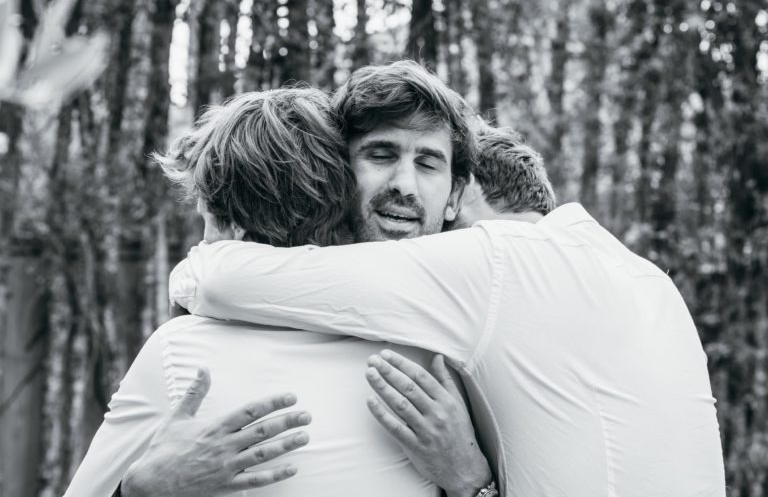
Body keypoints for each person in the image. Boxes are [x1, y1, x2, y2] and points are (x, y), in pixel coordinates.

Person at [173, 123, 727, 496]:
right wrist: (473, 484)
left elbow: (223, 282)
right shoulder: (645, 278)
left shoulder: (492, 257)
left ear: (461, 196)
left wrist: (208, 243)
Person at [64, 87, 490, 497]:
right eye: (380, 155)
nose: (404, 184)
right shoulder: (442, 344)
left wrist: (138, 492)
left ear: (229, 220)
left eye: (207, 218)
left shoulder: (179, 351)